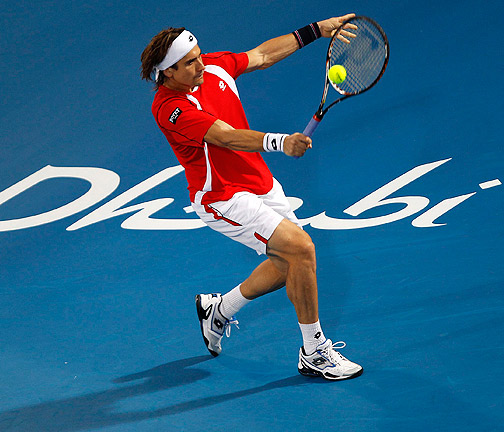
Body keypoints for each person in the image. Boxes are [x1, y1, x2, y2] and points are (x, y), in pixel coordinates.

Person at [140, 14, 363, 380]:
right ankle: (314, 352)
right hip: (221, 196)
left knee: (291, 264)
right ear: (168, 72)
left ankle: (220, 309)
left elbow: (261, 55)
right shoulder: (170, 109)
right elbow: (225, 136)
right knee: (302, 249)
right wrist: (281, 142)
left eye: (199, 56)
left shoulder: (213, 65)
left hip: (259, 181)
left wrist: (315, 31)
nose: (201, 65)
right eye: (190, 63)